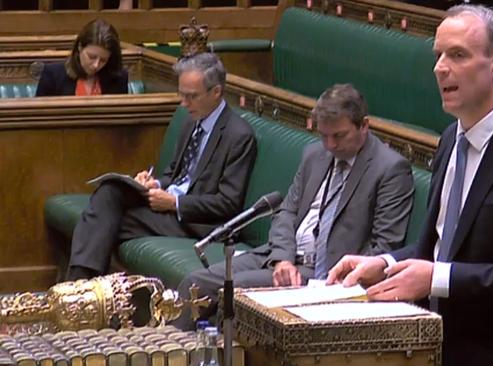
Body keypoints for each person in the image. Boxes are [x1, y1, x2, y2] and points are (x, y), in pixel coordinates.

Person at [327, 6, 493, 366]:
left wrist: (435, 279)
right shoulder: (451, 139)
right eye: (438, 55)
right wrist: (385, 263)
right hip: (444, 345)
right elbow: (447, 246)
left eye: (457, 55)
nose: (440, 67)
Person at [170, 83, 415, 330]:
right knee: (196, 284)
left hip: (323, 273)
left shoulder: (391, 169)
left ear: (364, 125)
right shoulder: (314, 155)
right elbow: (286, 212)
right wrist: (283, 259)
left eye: (338, 136)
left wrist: (339, 278)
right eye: (323, 136)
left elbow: (385, 247)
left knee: (231, 291)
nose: (330, 145)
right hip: (281, 257)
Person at [65, 52, 257, 280]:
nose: (183, 103)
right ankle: (84, 291)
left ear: (216, 92)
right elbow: (175, 173)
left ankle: (79, 289)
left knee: (102, 221)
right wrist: (155, 183)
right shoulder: (191, 121)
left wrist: (174, 203)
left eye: (191, 96)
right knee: (109, 192)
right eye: (181, 95)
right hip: (166, 206)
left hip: (197, 222)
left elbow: (228, 204)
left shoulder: (239, 135)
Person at [36, 19, 128, 97]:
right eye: (91, 57)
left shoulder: (119, 78)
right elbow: (38, 115)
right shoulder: (52, 75)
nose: (96, 65)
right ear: (80, 47)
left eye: (103, 60)